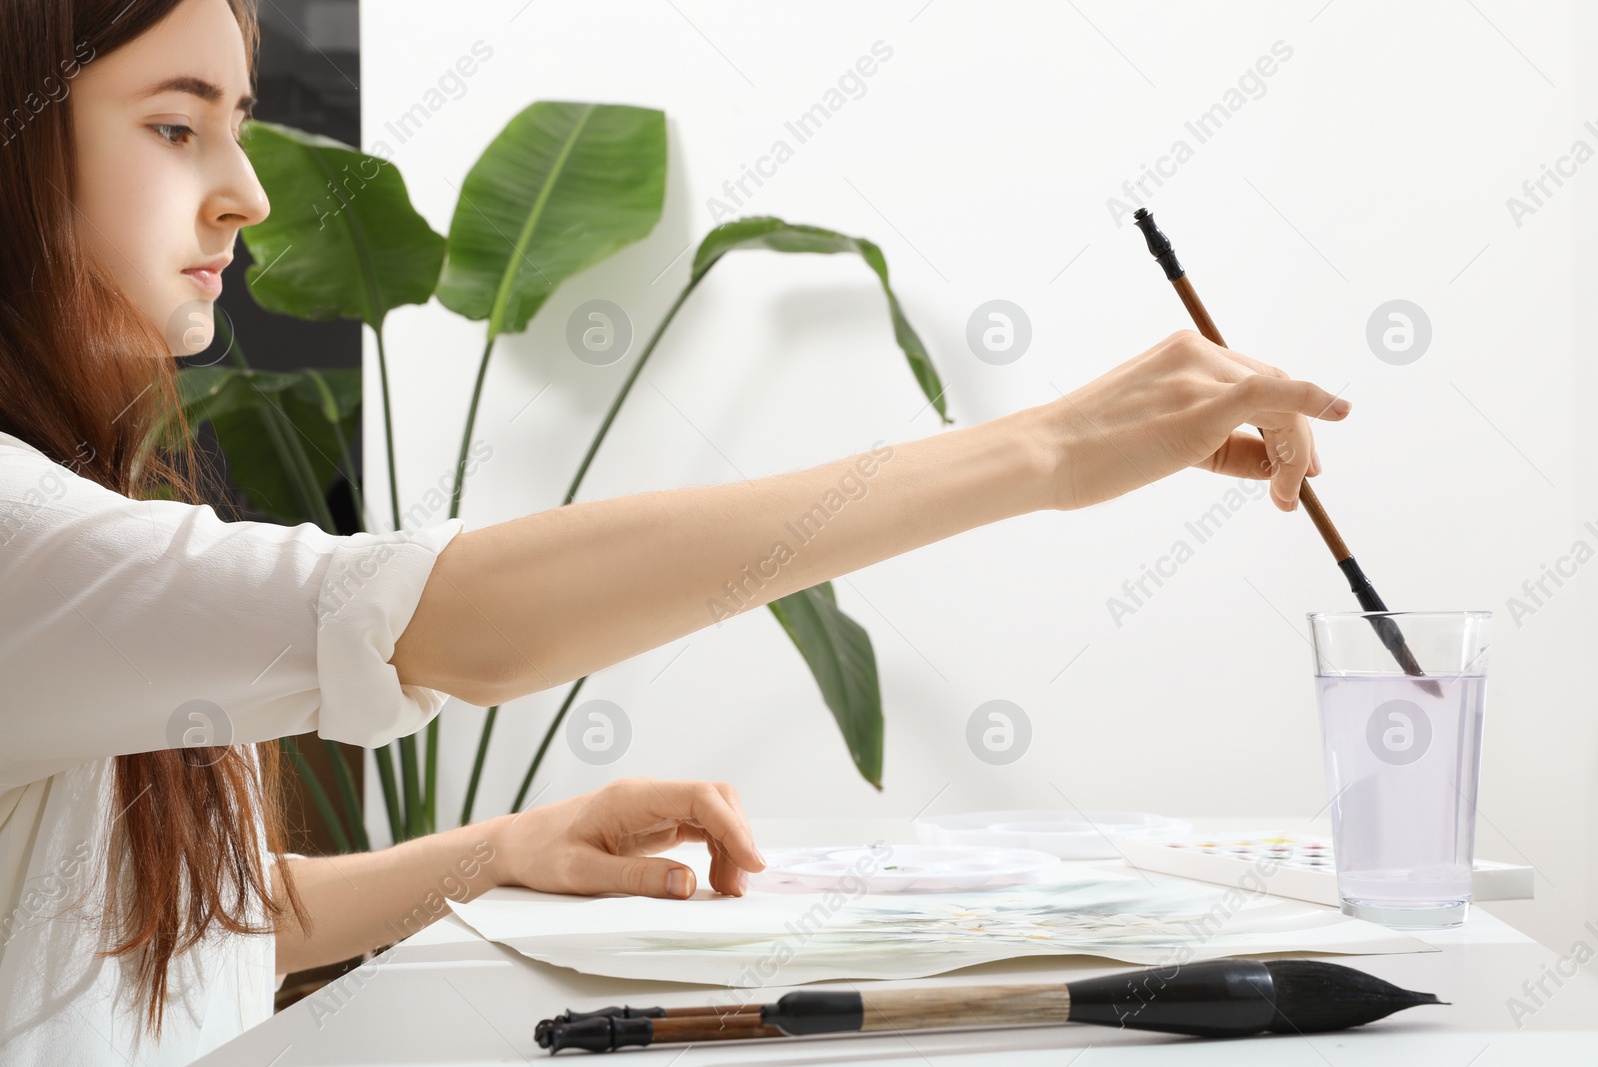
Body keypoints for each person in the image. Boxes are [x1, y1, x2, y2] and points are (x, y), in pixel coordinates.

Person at [0, 0, 1350, 1064]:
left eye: (237, 121)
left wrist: (496, 852)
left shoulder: (93, 511)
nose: (247, 190)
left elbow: (222, 928)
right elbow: (443, 619)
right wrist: (1043, 450)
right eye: (176, 128)